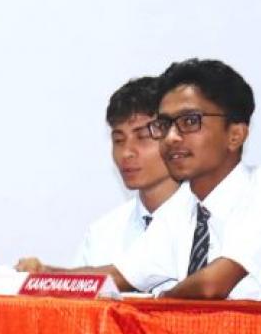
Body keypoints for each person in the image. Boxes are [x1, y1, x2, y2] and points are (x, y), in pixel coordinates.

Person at [25, 59, 261, 302]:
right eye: (164, 124)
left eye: (189, 121)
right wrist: (42, 277)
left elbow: (212, 286)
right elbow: (119, 277)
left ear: (235, 134)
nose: (171, 137)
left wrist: (157, 302)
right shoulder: (184, 208)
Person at [18, 76, 178, 271]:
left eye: (142, 137)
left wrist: (50, 272)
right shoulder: (103, 233)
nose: (126, 153)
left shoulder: (203, 223)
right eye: (118, 140)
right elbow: (81, 290)